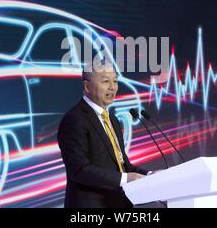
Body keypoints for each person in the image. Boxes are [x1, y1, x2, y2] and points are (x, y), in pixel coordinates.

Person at [57, 61, 149, 208]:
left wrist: (150, 175)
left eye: (115, 81)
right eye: (106, 81)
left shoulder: (112, 119)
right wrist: (125, 179)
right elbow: (79, 170)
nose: (112, 87)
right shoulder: (74, 120)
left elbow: (122, 165)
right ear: (87, 87)